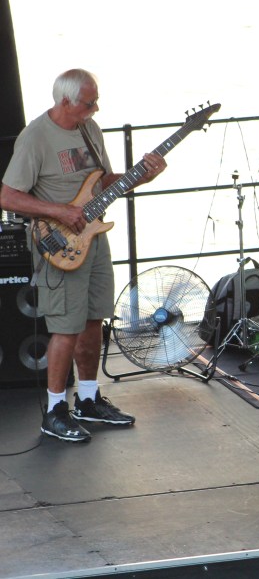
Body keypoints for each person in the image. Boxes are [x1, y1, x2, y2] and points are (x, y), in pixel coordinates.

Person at [1, 68, 167, 442]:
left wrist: (141, 175)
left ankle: (88, 399)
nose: (95, 107)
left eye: (95, 100)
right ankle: (55, 409)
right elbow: (7, 196)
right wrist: (61, 212)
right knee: (64, 327)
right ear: (64, 101)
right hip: (58, 242)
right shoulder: (35, 138)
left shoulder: (90, 130)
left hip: (92, 238)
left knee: (94, 319)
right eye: (88, 102)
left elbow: (103, 180)